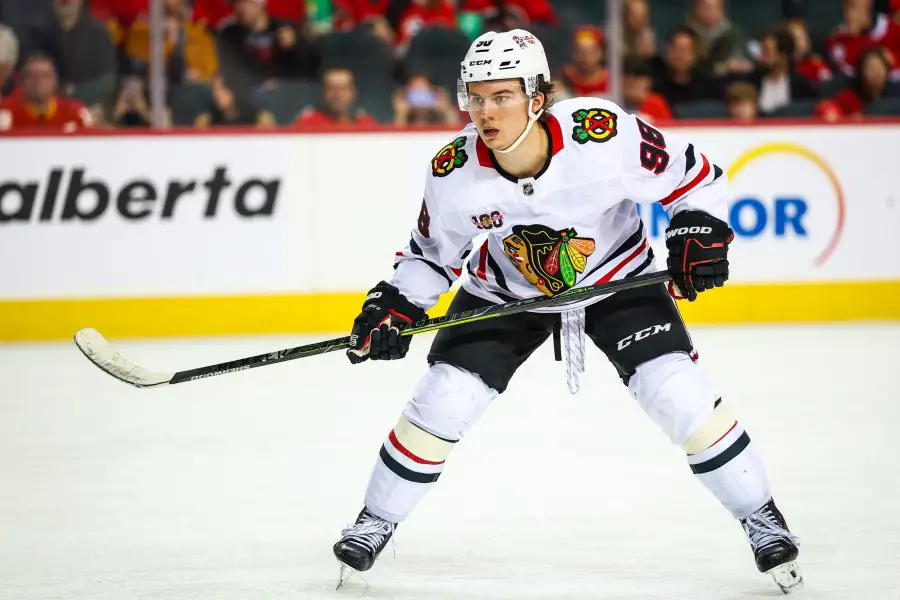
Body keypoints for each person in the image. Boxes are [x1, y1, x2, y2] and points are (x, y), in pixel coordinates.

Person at [332, 28, 803, 596]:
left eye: (501, 96)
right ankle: (374, 522)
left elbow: (694, 177)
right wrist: (396, 304)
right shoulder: (453, 170)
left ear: (537, 98)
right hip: (506, 292)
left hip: (616, 280)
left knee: (677, 393)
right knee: (445, 398)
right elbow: (431, 255)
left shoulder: (600, 135)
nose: (485, 111)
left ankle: (761, 518)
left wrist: (698, 227)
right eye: (475, 97)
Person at [0, 52, 92, 132]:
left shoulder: (75, 113)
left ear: (54, 80)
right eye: (31, 75)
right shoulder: (6, 110)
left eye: (44, 76)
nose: (38, 81)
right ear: (22, 81)